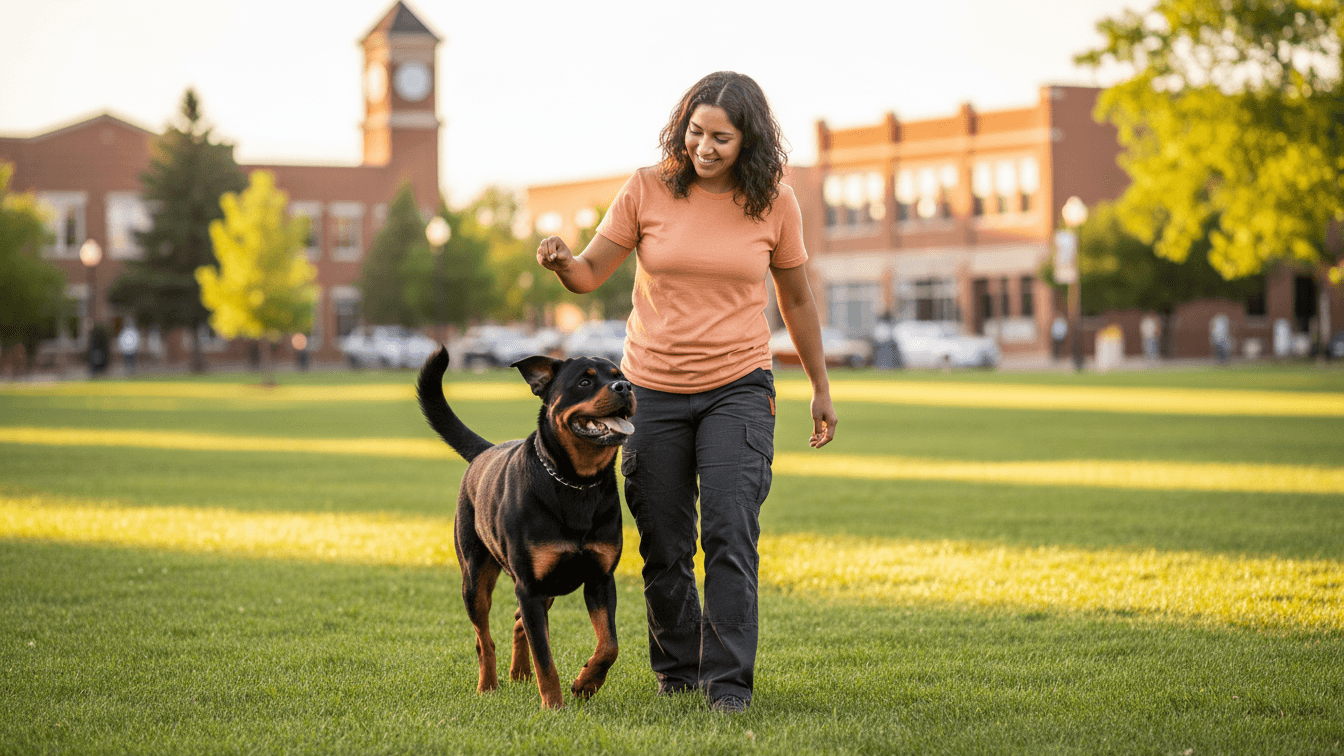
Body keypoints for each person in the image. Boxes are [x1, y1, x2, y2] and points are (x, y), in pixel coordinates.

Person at [535, 71, 836, 714]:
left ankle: (727, 686)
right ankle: (679, 673)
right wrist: (564, 262)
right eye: (696, 132)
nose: (704, 147)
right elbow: (590, 273)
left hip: (740, 386)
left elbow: (799, 298)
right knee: (665, 541)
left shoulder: (776, 202)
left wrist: (819, 385)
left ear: (749, 140)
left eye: (721, 138)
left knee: (731, 530)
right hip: (649, 392)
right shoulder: (646, 188)